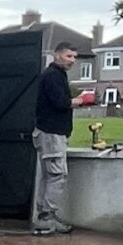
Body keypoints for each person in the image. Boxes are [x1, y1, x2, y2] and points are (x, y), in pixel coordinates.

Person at [32, 42, 77, 233]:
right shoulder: (52, 76)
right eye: (68, 56)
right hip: (52, 134)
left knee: (49, 176)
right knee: (57, 175)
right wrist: (76, 101)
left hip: (49, 132)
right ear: (56, 55)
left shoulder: (55, 75)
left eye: (74, 57)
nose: (72, 61)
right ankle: (47, 217)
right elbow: (60, 102)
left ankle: (44, 215)